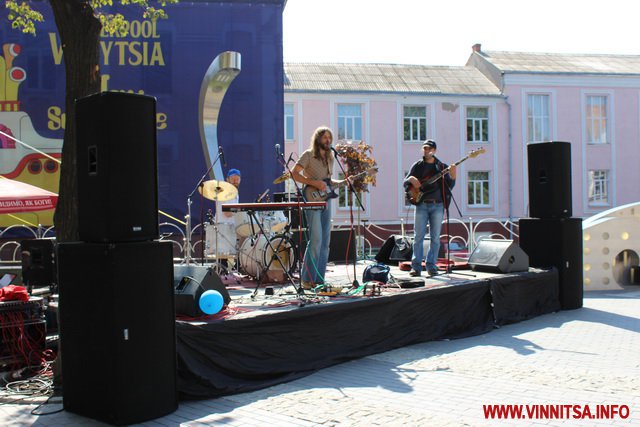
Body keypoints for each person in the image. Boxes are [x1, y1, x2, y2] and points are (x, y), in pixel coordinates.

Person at [291, 126, 337, 289]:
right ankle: (306, 278)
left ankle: (318, 279)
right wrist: (313, 182)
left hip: (326, 199)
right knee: (316, 238)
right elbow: (294, 173)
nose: (328, 140)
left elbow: (328, 183)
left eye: (329, 138)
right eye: (325, 137)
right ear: (318, 139)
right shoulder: (308, 155)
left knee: (325, 241)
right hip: (311, 197)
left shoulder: (331, 158)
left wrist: (345, 182)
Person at [404, 140, 456, 277]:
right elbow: (405, 181)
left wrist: (453, 174)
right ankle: (416, 267)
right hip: (421, 204)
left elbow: (450, 186)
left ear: (434, 150)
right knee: (418, 237)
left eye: (428, 149)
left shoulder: (441, 166)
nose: (426, 151)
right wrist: (410, 179)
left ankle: (431, 266)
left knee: (435, 238)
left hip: (437, 205)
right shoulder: (418, 165)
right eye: (424, 149)